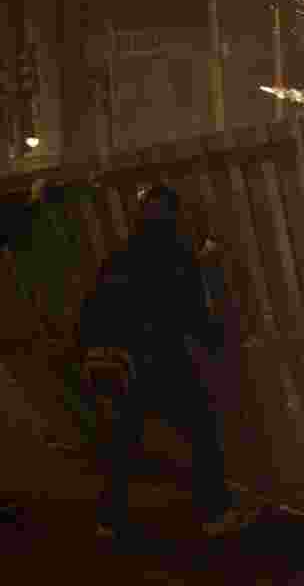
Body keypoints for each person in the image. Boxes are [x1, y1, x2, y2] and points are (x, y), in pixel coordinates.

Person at [79, 185, 249, 538]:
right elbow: (193, 316)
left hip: (126, 364)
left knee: (124, 440)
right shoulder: (177, 257)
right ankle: (215, 514)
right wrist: (222, 340)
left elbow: (96, 307)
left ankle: (108, 520)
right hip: (165, 362)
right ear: (173, 216)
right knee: (202, 433)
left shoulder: (121, 256)